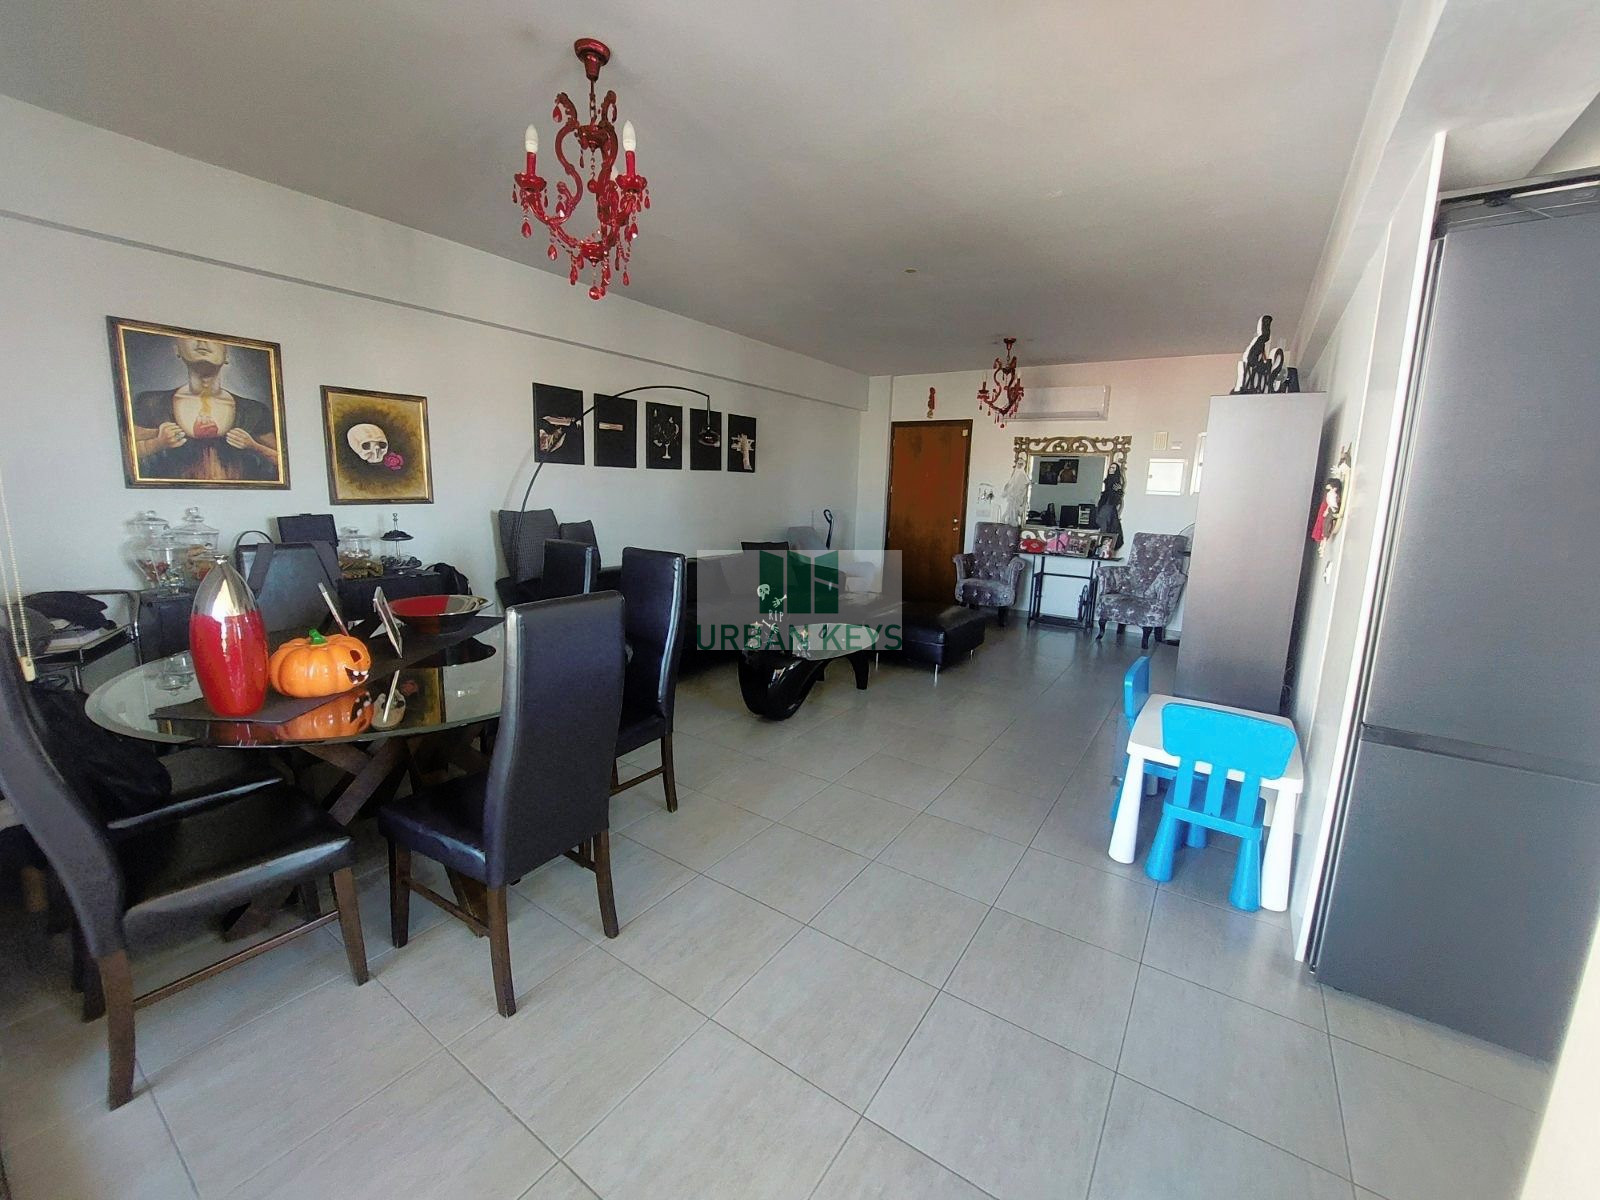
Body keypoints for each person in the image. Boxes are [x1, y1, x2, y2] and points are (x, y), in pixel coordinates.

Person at [131, 337, 280, 482]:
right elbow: (128, 453)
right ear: (177, 350)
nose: (202, 342)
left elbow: (282, 461)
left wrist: (253, 446)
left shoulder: (254, 410)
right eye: (190, 337)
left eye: (213, 341)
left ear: (227, 356)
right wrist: (158, 443)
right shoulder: (152, 404)